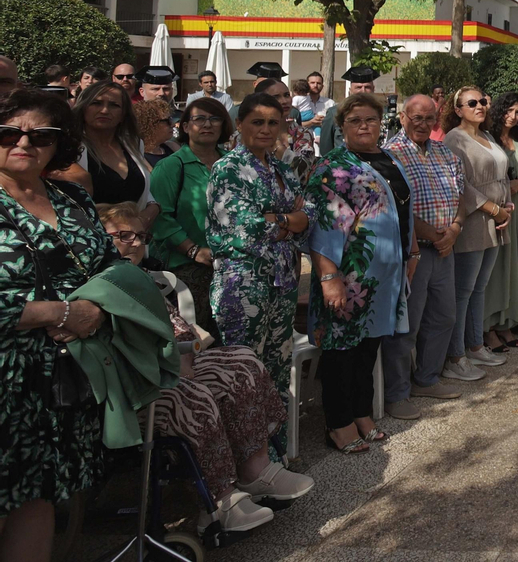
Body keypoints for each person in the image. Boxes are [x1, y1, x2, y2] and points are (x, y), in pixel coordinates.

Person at [98, 203, 312, 533]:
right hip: (133, 383)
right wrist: (178, 359)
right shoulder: (98, 287)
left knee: (242, 362)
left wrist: (185, 355)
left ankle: (256, 472)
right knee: (193, 395)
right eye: (123, 236)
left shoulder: (140, 278)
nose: (136, 243)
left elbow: (181, 330)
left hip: (176, 363)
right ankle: (219, 501)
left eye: (141, 236)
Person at [0, 89, 117, 561]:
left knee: (40, 491)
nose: (23, 143)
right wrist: (60, 313)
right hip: (6, 380)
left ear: (60, 143)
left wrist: (100, 310)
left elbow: (113, 268)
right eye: (8, 132)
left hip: (65, 379)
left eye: (42, 135)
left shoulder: (73, 197)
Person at [302, 93, 413, 453]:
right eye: (355, 120)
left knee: (368, 347)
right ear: (341, 127)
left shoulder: (390, 158)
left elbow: (402, 210)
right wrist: (328, 278)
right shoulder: (332, 167)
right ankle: (338, 423)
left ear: (381, 123)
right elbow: (323, 228)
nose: (364, 126)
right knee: (341, 351)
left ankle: (361, 412)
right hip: (346, 276)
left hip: (384, 277)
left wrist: (410, 255)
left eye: (371, 119)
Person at [206, 92, 308, 431]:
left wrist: (280, 220)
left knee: (277, 364)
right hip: (243, 282)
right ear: (239, 124)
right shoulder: (228, 169)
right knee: (244, 369)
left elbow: (308, 213)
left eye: (272, 123)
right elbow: (245, 228)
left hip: (282, 279)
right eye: (257, 122)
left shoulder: (281, 168)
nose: (265, 129)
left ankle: (274, 444)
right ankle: (247, 451)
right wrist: (288, 220)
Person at [381, 95, 466, 412]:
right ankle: (397, 393)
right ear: (403, 117)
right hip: (413, 252)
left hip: (445, 248)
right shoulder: (390, 155)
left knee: (443, 317)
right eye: (416, 117)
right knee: (407, 325)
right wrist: (431, 234)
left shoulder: (445, 152)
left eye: (429, 118)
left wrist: (455, 228)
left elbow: (461, 194)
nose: (423, 124)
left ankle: (427, 379)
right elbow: (394, 207)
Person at [148, 97, 233, 333]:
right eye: (199, 119)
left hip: (231, 265)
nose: (207, 124)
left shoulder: (233, 164)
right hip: (185, 267)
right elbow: (160, 218)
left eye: (214, 118)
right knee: (197, 338)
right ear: (185, 127)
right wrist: (193, 250)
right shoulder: (171, 166)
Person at [442, 86, 509, 380]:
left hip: (495, 219)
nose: (480, 106)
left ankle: (475, 346)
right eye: (472, 103)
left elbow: (500, 175)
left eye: (483, 101)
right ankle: (455, 356)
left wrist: (506, 205)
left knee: (479, 287)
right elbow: (461, 184)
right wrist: (493, 208)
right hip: (472, 219)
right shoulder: (454, 139)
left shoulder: (488, 136)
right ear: (458, 109)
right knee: (463, 291)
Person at [482, 92, 518, 351]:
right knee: (495, 269)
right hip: (497, 208)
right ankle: (488, 327)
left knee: (513, 264)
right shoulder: (487, 139)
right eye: (509, 110)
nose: (513, 116)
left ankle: (506, 322)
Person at [62, 80, 154, 218]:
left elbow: (144, 190)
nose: (104, 110)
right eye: (96, 103)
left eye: (114, 105)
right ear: (83, 107)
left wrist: (152, 208)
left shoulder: (134, 144)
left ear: (123, 114)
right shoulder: (70, 147)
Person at [247, 79, 317, 178]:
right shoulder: (248, 134)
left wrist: (278, 147)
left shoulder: (302, 133)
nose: (284, 101)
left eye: (287, 95)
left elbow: (303, 173)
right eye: (276, 97)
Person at [318, 66, 377, 156]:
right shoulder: (334, 113)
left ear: (373, 89)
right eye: (358, 87)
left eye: (367, 87)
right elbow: (325, 150)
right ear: (350, 91)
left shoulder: (380, 113)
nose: (363, 91)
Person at [133, 93, 179, 167]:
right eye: (167, 121)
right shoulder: (136, 157)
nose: (172, 124)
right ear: (150, 124)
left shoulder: (173, 147)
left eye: (170, 119)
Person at [294, 71, 335, 142]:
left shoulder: (330, 103)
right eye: (312, 83)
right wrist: (311, 122)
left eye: (318, 83)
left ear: (322, 86)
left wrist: (325, 121)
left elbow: (335, 124)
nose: (315, 85)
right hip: (302, 143)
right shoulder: (299, 102)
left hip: (323, 144)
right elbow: (293, 125)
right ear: (307, 85)